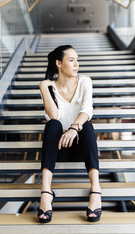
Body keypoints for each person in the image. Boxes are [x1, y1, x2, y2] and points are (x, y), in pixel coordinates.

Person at [38, 45, 102, 223]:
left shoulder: (85, 81)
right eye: (71, 60)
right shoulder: (50, 87)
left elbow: (87, 109)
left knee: (87, 126)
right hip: (57, 148)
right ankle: (46, 191)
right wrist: (44, 88)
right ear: (59, 63)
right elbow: (54, 116)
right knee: (52, 125)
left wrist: (74, 128)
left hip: (82, 146)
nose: (76, 65)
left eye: (77, 60)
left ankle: (95, 190)